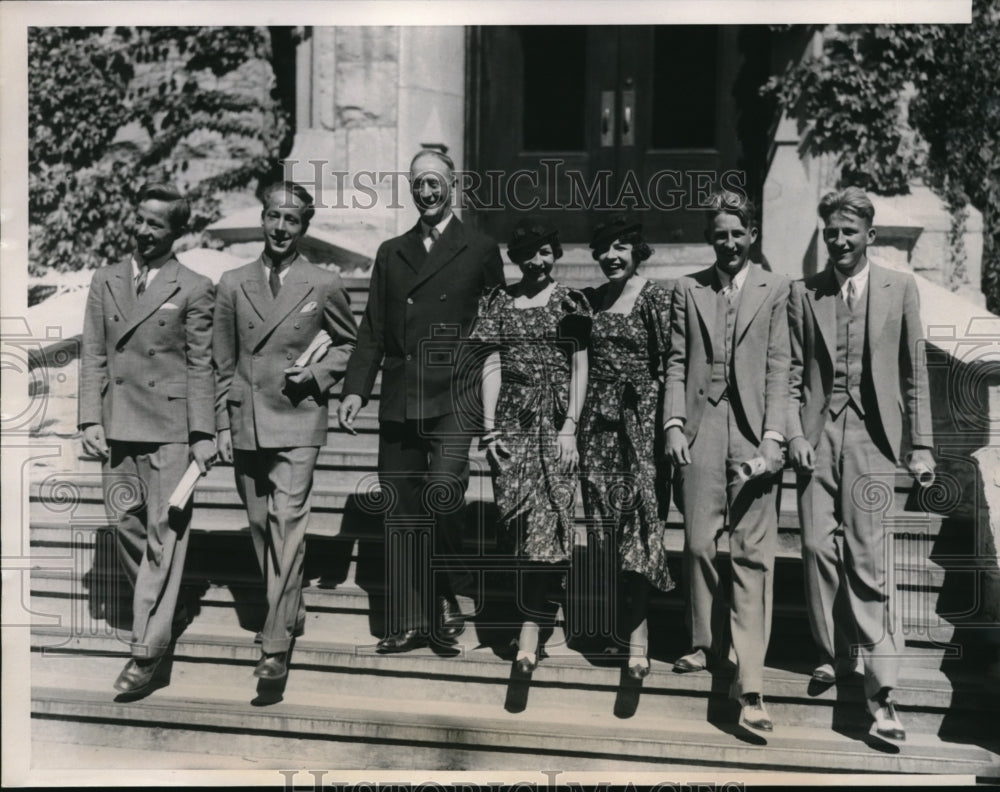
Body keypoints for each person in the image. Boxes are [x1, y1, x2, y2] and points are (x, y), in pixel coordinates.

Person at [338, 148, 505, 653]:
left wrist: (496, 400)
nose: (427, 192)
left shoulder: (478, 246)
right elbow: (372, 327)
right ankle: (412, 619)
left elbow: (497, 325)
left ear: (453, 185)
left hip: (455, 393)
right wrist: (354, 389)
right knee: (402, 509)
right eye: (418, 185)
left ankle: (449, 588)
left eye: (435, 183)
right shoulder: (392, 251)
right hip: (401, 392)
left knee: (442, 491)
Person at [787, 186, 934, 741]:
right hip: (818, 436)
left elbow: (915, 371)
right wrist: (795, 433)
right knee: (814, 546)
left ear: (870, 236)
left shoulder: (901, 288)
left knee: (868, 558)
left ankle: (882, 693)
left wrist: (921, 444)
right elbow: (792, 371)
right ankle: (834, 650)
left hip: (873, 439)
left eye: (849, 233)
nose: (840, 242)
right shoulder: (808, 293)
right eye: (831, 233)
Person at [213, 181, 357, 681]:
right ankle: (289, 609)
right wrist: (219, 426)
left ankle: (275, 643)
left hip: (297, 419)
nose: (280, 228)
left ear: (304, 228)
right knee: (259, 526)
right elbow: (221, 361)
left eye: (291, 220)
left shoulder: (323, 283)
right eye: (274, 216)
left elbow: (347, 346)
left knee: (287, 523)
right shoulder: (232, 282)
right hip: (246, 419)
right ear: (262, 219)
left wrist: (316, 376)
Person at [78, 183, 216, 696]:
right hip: (117, 427)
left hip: (171, 431)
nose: (142, 229)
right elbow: (94, 353)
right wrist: (89, 419)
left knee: (165, 536)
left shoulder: (196, 286)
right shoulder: (105, 278)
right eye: (139, 219)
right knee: (126, 528)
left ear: (177, 232)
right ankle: (171, 605)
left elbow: (203, 364)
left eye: (155, 224)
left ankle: (147, 651)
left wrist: (204, 433)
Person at [665, 191, 790, 733]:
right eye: (720, 234)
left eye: (738, 234)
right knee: (696, 543)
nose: (730, 243)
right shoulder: (688, 290)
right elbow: (674, 363)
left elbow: (782, 367)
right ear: (710, 237)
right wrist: (672, 424)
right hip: (701, 426)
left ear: (752, 235)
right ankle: (704, 641)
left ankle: (752, 684)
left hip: (755, 430)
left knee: (752, 555)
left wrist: (774, 438)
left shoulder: (776, 288)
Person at [472, 218, 590, 673]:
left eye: (546, 252)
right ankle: (534, 615)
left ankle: (529, 631)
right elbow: (491, 364)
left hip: (557, 426)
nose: (539, 262)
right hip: (512, 426)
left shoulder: (571, 301)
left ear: (555, 254)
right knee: (519, 529)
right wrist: (489, 428)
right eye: (529, 254)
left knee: (549, 525)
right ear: (516, 259)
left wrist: (570, 426)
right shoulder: (500, 302)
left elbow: (580, 366)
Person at [578, 215, 674, 681]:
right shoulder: (592, 300)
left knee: (640, 528)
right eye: (603, 249)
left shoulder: (655, 297)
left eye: (620, 247)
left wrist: (668, 425)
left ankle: (640, 641)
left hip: (642, 428)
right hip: (597, 428)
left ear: (637, 250)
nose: (611, 257)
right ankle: (610, 626)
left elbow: (670, 365)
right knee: (605, 530)